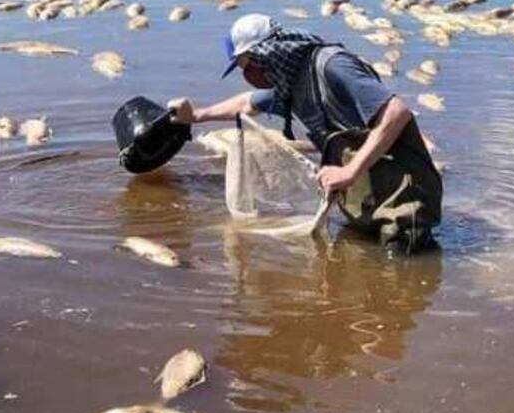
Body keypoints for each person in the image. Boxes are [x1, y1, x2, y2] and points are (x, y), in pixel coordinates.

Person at [169, 13, 442, 252]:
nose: (249, 74)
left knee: (401, 280)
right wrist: (196, 116)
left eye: (247, 65)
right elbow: (245, 103)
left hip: (401, 197)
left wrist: (349, 171)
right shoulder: (292, 85)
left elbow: (397, 112)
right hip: (365, 202)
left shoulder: (333, 65)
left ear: (268, 52)